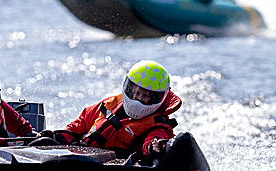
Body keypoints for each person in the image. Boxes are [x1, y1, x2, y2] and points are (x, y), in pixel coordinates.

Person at [42, 60, 180, 159]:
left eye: (145, 96)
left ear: (159, 98)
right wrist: (58, 137)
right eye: (136, 93)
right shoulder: (111, 104)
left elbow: (154, 139)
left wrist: (154, 146)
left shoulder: (159, 125)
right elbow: (82, 123)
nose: (137, 100)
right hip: (83, 158)